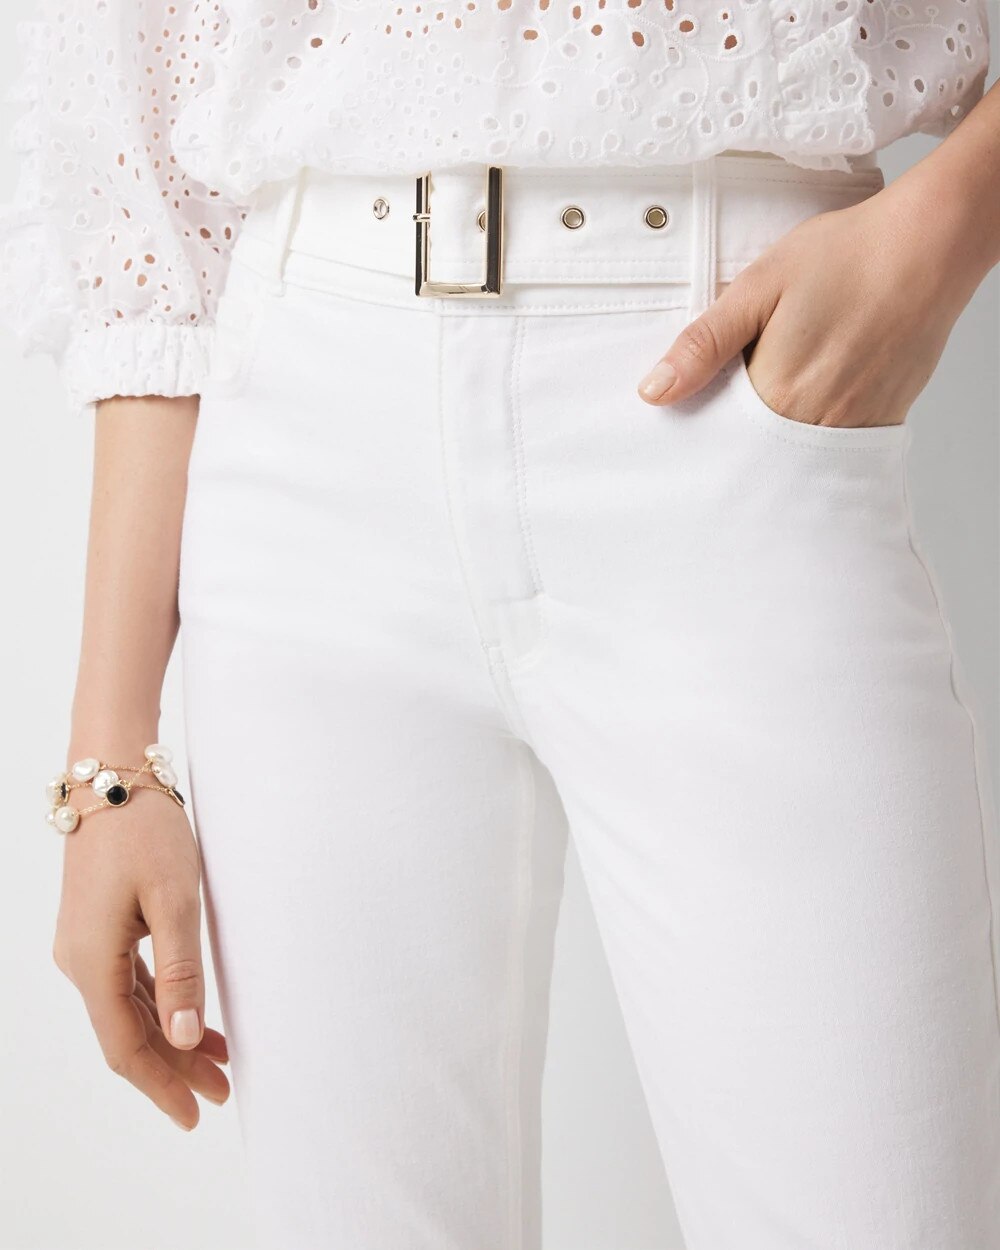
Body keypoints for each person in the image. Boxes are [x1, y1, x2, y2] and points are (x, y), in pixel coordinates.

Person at [2, 3, 998, 1248]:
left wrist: (948, 225)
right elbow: (145, 159)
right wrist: (111, 764)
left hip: (729, 379)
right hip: (307, 434)